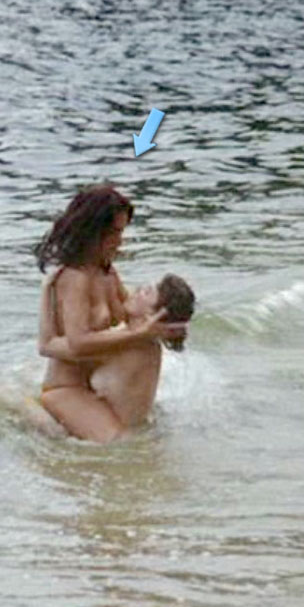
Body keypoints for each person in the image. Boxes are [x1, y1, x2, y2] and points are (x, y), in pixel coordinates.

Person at [32, 184, 185, 443]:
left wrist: (166, 320)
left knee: (148, 440)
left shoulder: (107, 272)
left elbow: (134, 315)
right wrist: (140, 333)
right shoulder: (74, 278)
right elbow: (78, 343)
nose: (120, 241)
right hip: (67, 388)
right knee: (120, 444)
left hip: (96, 387)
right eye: (114, 232)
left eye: (122, 231)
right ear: (92, 230)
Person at [41, 273, 194, 431]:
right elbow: (110, 279)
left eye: (146, 292)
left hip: (112, 437)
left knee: (32, 403)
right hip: (130, 429)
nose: (137, 290)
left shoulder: (123, 345)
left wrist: (46, 290)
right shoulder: (148, 343)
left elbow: (47, 347)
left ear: (152, 315)